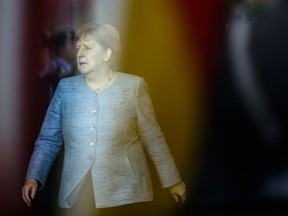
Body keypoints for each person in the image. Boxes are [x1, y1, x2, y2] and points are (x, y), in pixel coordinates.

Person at [22, 23, 186, 216]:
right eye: (78, 48)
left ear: (107, 54)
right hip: (77, 197)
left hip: (128, 195)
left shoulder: (134, 87)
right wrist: (33, 177)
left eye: (88, 47)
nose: (80, 53)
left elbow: (153, 138)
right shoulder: (65, 89)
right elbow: (48, 140)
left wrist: (173, 180)